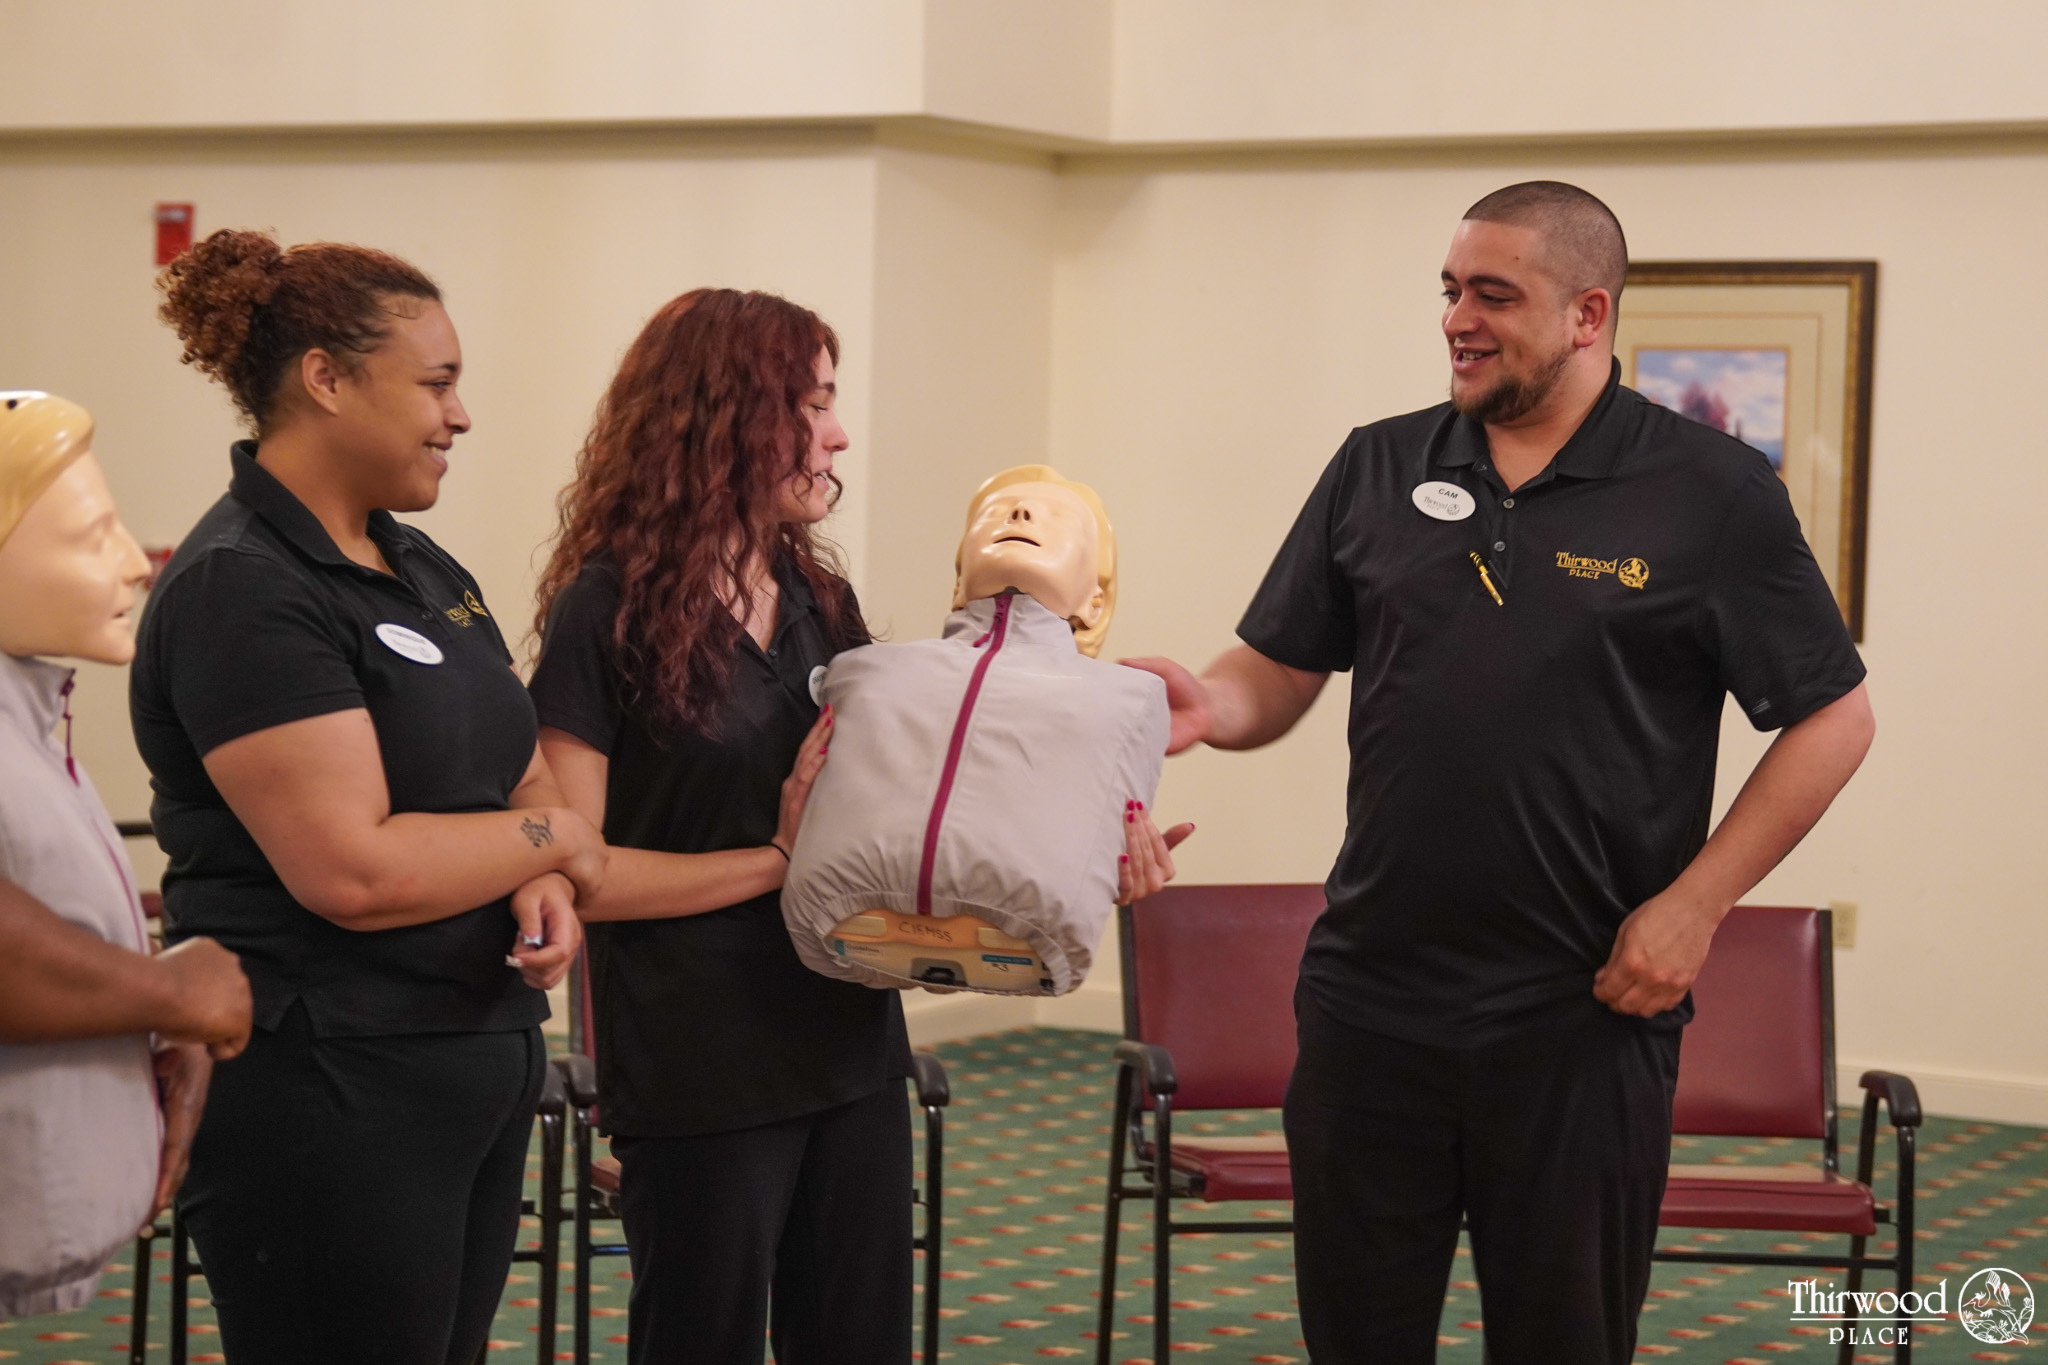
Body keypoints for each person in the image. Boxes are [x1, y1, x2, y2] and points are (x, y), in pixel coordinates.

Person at [1123, 181, 1875, 1363]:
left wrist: (1694, 907)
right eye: (1447, 290)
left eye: (1491, 294)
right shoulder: (1376, 467)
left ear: (1586, 315)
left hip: (1582, 1010)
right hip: (1370, 1002)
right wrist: (1211, 705)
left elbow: (1832, 717)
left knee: (1562, 1341)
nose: (1455, 319)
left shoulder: (1711, 495)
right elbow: (1279, 664)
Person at [530, 293, 1185, 1363]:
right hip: (698, 1058)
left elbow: (906, 808)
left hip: (847, 1042)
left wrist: (1069, 857)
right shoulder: (604, 610)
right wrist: (774, 862)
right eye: (814, 403)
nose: (837, 435)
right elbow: (578, 867)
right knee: (701, 1342)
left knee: (857, 1342)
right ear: (724, 415)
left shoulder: (813, 596)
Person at [132, 230, 601, 1365]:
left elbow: (516, 768)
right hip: (328, 1080)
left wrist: (543, 871)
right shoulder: (245, 584)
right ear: (327, 380)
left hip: (468, 1054)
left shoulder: (420, 564)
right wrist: (560, 837)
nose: (461, 414)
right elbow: (355, 870)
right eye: (436, 383)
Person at [0, 390, 251, 1320]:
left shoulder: (27, 723)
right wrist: (171, 992)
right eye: (87, 533)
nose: (130, 563)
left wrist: (143, 1004)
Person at [783, 464, 1187, 996]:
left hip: (1035, 937)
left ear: (1095, 600)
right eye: (998, 512)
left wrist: (1093, 869)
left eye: (1057, 518)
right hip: (821, 923)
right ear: (957, 583)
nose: (1020, 515)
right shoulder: (865, 673)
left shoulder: (1126, 700)